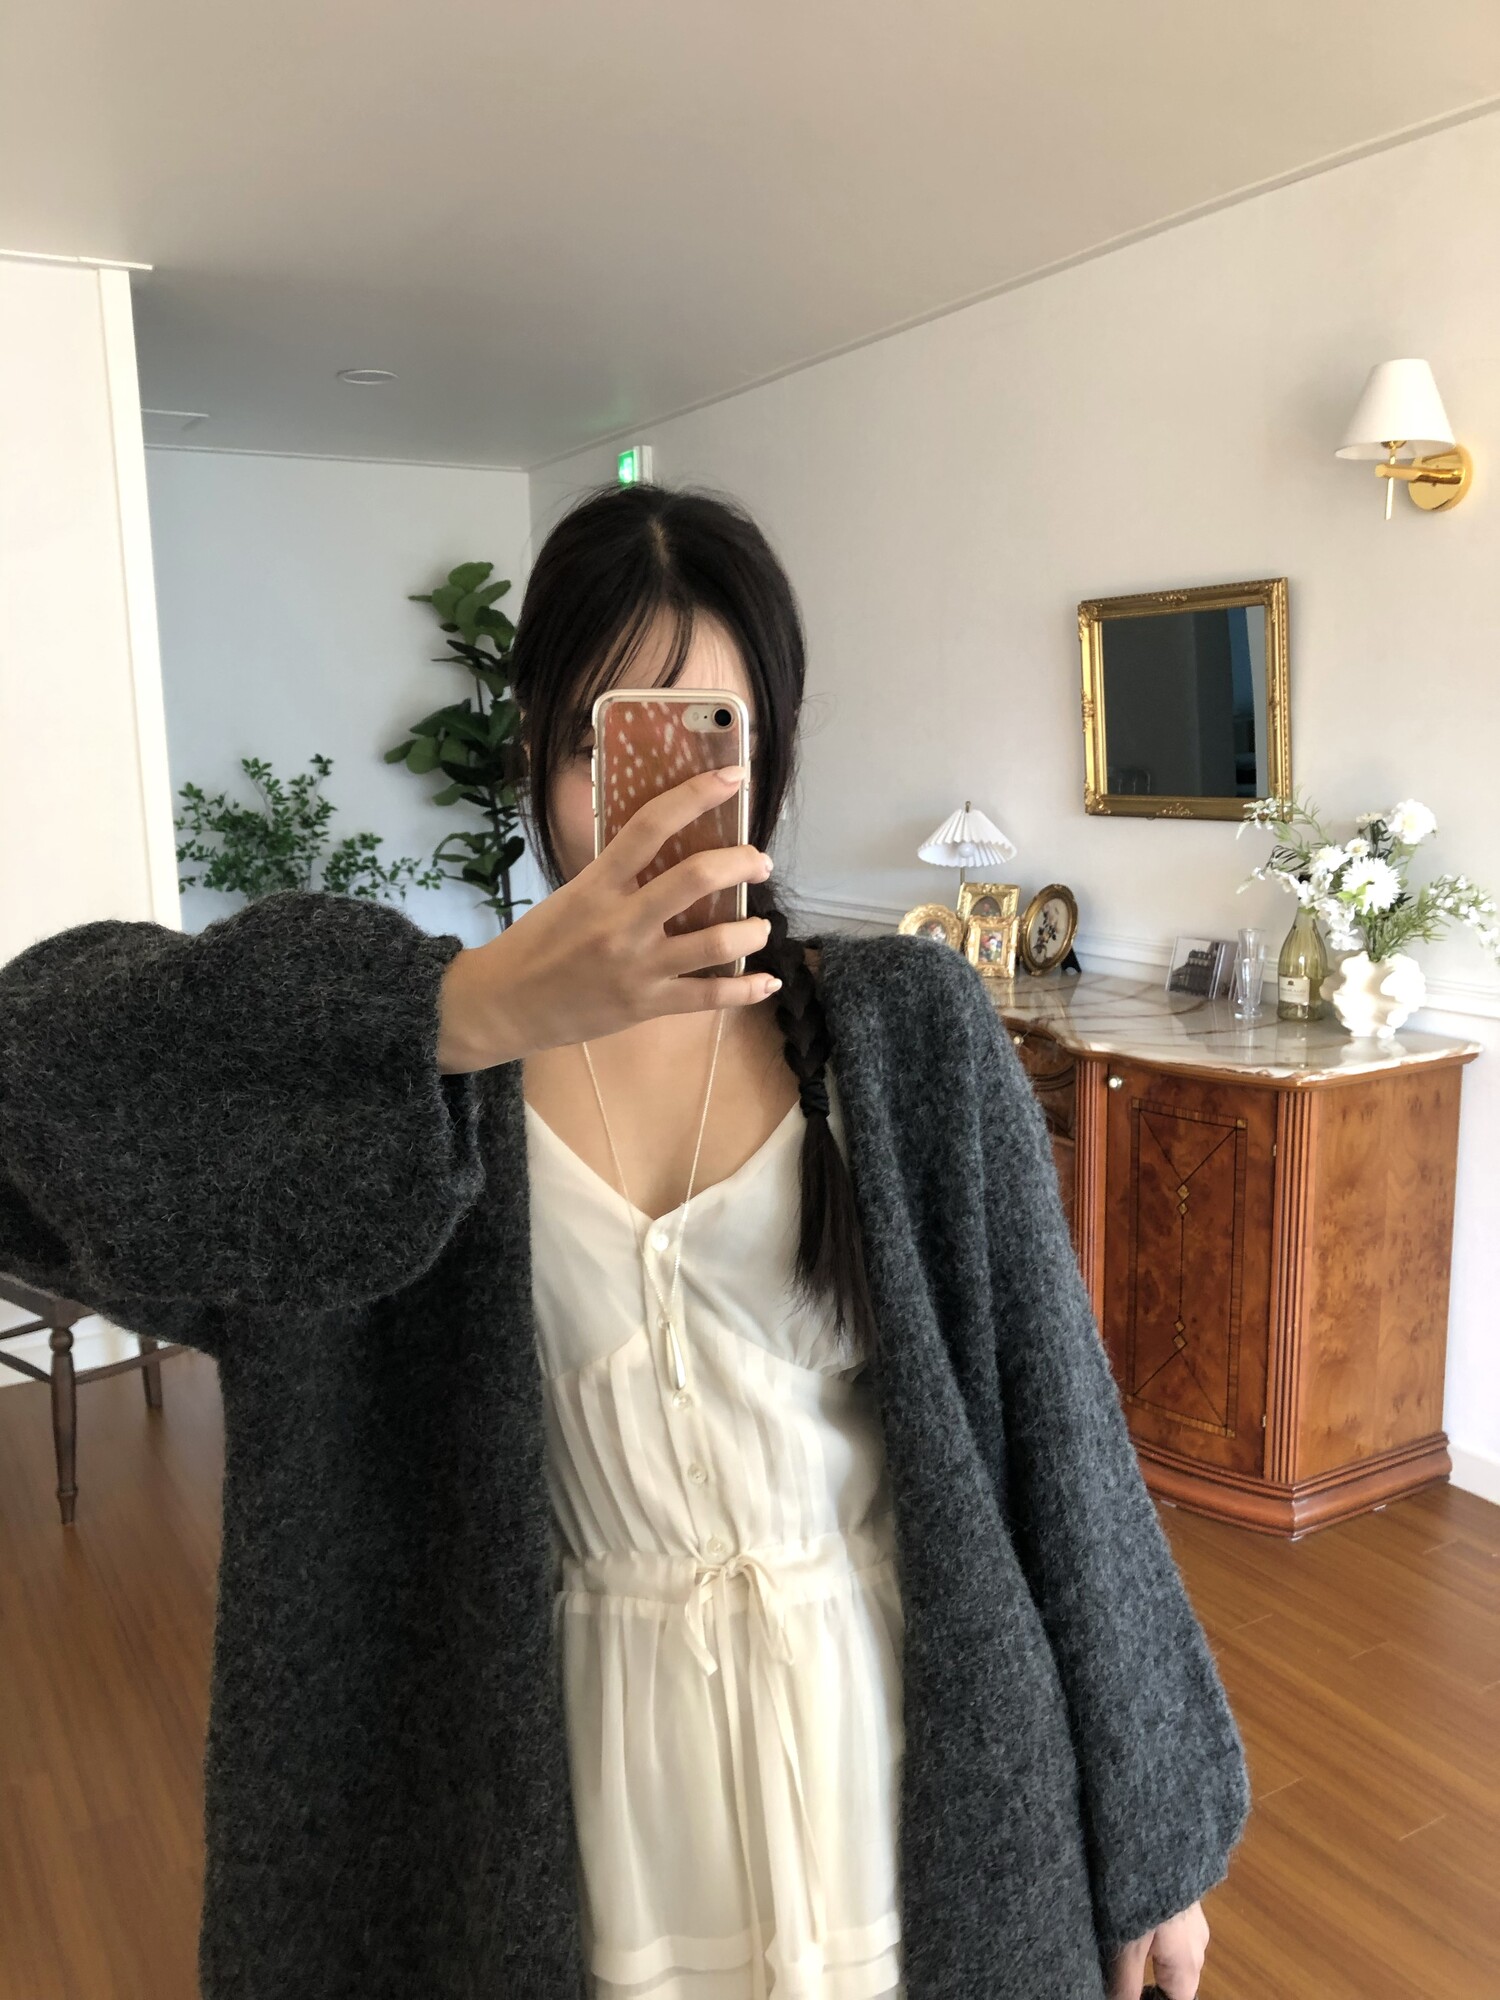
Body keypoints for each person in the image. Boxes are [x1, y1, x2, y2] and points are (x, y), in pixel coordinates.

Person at [0, 481, 1250, 2000]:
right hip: (577, 1800)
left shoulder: (901, 1033)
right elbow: (28, 1096)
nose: (657, 798)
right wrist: (459, 1014)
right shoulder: (411, 1092)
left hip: (904, 1766)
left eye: (710, 736)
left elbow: (1064, 1440)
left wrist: (1157, 1845)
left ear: (772, 754)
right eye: (612, 739)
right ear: (538, 749)